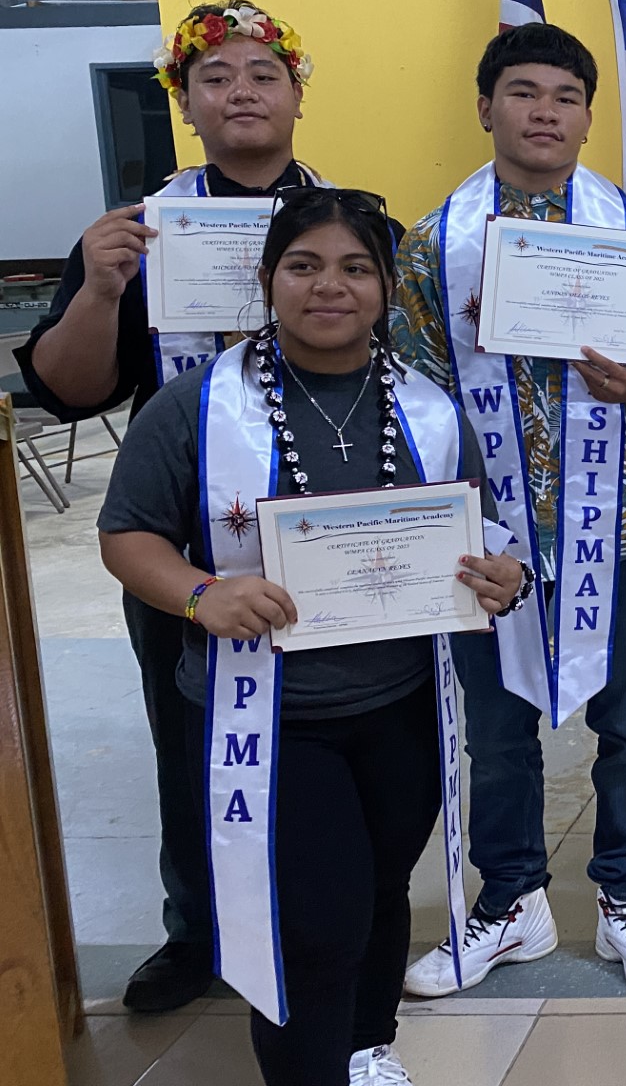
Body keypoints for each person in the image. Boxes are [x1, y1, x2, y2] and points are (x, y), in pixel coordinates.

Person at [97, 188, 528, 1086]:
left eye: (355, 268)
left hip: (401, 706)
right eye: (304, 265)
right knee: (315, 924)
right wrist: (201, 594)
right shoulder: (195, 407)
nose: (329, 286)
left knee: (378, 893)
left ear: (385, 289)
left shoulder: (429, 410)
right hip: (267, 717)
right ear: (267, 279)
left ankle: (366, 1049)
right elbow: (127, 534)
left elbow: (479, 532)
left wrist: (504, 575)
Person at [16, 0, 324, 1013]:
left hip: (325, 529)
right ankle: (199, 934)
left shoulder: (352, 224)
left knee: (335, 735)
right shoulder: (139, 232)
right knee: (190, 739)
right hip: (184, 545)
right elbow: (68, 391)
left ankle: (325, 917)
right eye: (215, 77)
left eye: (263, 74)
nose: (242, 92)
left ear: (297, 95)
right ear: (185, 104)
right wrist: (102, 291)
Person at [392, 22, 626, 997]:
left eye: (566, 97)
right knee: (496, 733)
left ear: (589, 117)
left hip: (617, 520)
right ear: (486, 106)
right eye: (523, 92)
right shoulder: (433, 245)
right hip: (484, 535)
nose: (544, 112)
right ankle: (512, 901)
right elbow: (413, 392)